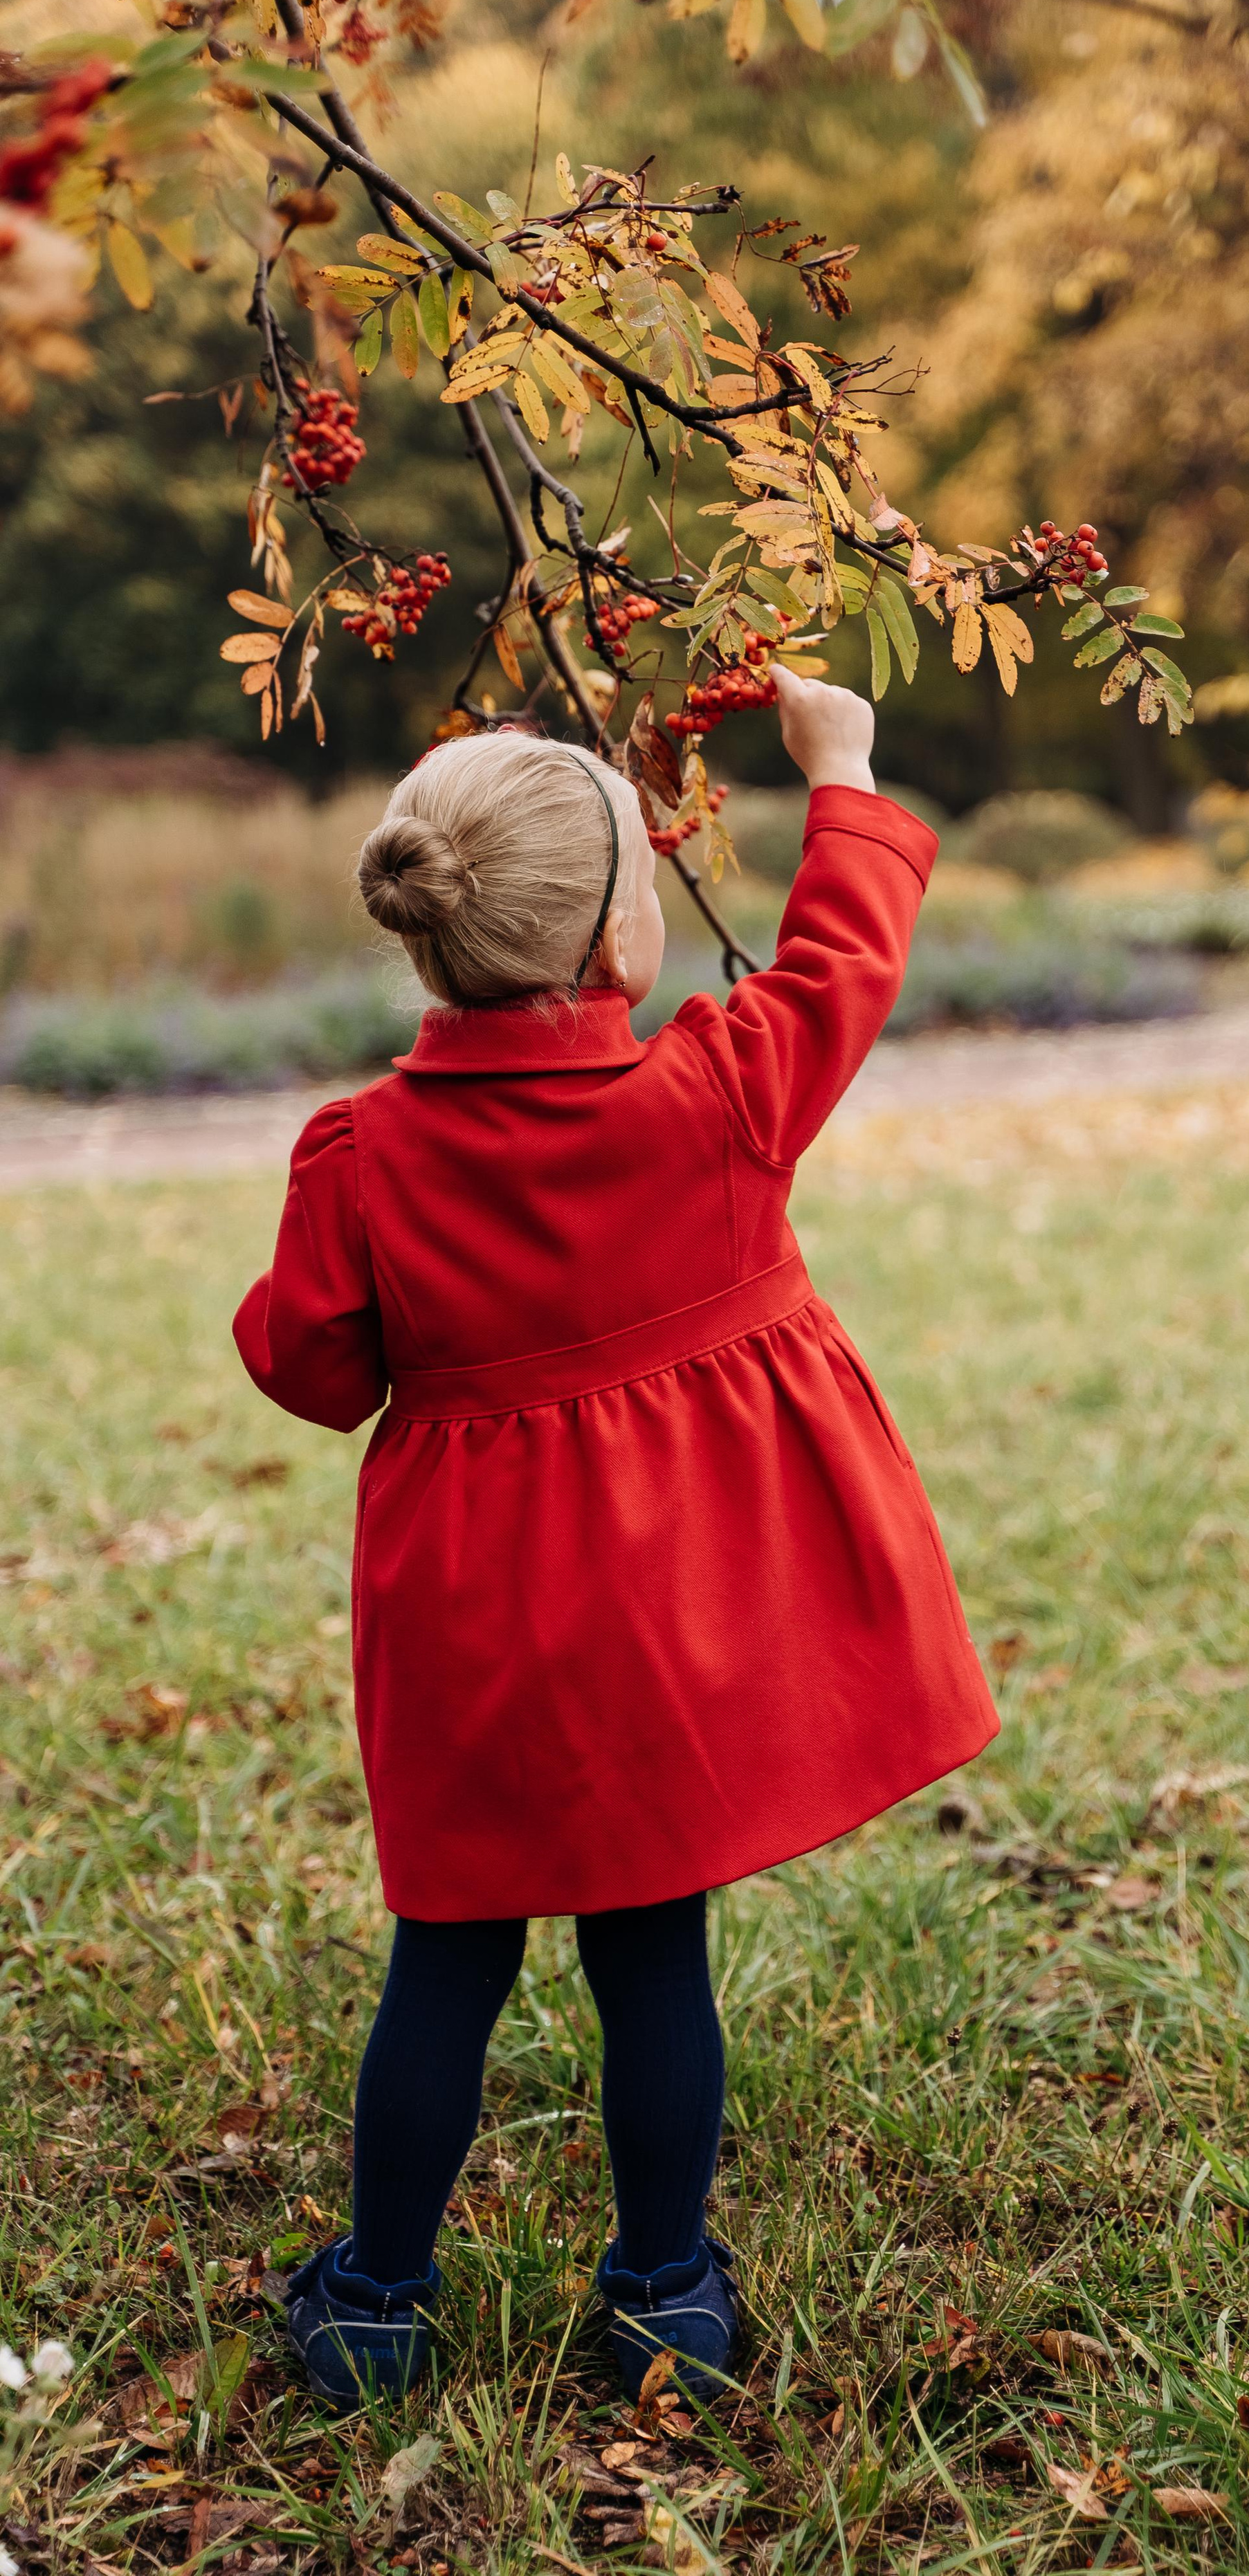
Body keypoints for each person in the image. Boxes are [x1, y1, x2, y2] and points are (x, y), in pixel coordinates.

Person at [233, 671, 999, 2411]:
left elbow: (312, 1374)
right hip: (662, 1635)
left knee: (447, 1959)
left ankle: (374, 2301)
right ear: (612, 944)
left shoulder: (361, 1154)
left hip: (470, 1636)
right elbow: (841, 964)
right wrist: (843, 768)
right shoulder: (718, 1092)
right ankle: (664, 2292)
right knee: (652, 1958)